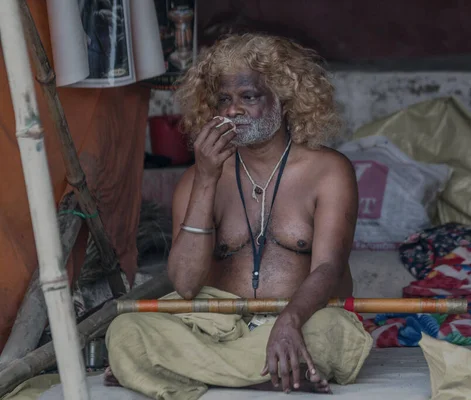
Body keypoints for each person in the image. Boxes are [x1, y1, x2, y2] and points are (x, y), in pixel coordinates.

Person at [105, 33, 373, 399]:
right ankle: (274, 375)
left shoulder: (328, 171)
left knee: (331, 334)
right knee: (126, 331)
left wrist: (289, 322)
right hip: (214, 323)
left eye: (248, 97)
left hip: (302, 317)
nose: (232, 111)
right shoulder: (198, 178)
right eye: (223, 100)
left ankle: (192, 372)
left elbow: (329, 269)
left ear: (284, 98)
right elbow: (184, 285)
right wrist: (206, 180)